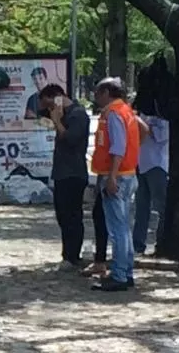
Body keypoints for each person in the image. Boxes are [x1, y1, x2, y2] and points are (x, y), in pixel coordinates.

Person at [91, 77, 141, 292]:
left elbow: (118, 148)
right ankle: (126, 272)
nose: (95, 96)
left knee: (117, 229)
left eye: (98, 92)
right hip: (129, 174)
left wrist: (111, 176)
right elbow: (144, 132)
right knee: (124, 228)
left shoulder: (113, 114)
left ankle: (119, 275)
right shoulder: (127, 111)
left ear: (106, 93)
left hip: (117, 177)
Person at [38, 84, 91, 269]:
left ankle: (73, 255)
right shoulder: (61, 114)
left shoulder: (78, 115)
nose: (49, 109)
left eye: (50, 104)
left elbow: (70, 139)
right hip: (61, 172)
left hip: (74, 172)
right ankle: (67, 253)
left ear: (58, 97)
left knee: (72, 215)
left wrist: (58, 121)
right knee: (62, 214)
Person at [133, 94, 170, 255]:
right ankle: (137, 244)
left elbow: (161, 136)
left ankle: (162, 242)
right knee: (141, 208)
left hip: (157, 165)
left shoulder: (163, 119)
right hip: (140, 165)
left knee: (162, 207)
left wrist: (144, 123)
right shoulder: (140, 115)